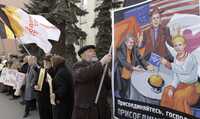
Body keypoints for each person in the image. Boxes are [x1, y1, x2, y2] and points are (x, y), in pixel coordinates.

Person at [160, 35, 199, 115]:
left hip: (192, 87)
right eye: (175, 45)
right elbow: (176, 76)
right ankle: (166, 114)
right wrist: (173, 88)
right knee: (167, 91)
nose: (178, 47)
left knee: (179, 96)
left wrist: (169, 64)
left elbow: (184, 70)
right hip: (180, 85)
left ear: (184, 45)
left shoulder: (191, 58)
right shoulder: (176, 58)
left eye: (180, 45)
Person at [72, 45, 112, 119]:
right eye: (90, 51)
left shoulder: (99, 67)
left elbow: (108, 86)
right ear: (82, 55)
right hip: (86, 112)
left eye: (94, 51)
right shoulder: (77, 66)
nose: (94, 53)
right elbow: (84, 75)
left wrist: (109, 76)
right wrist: (101, 62)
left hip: (101, 110)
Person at [115, 33, 154, 99]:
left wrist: (147, 66)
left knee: (130, 89)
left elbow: (140, 58)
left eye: (133, 43)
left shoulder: (134, 48)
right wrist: (134, 68)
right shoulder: (119, 50)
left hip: (131, 72)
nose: (132, 44)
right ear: (125, 42)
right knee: (123, 90)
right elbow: (124, 62)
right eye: (130, 43)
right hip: (122, 73)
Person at [51, 55, 74, 119]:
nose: (52, 64)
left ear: (55, 63)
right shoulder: (64, 69)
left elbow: (62, 90)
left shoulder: (60, 73)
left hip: (62, 104)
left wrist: (55, 94)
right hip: (68, 101)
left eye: (52, 62)